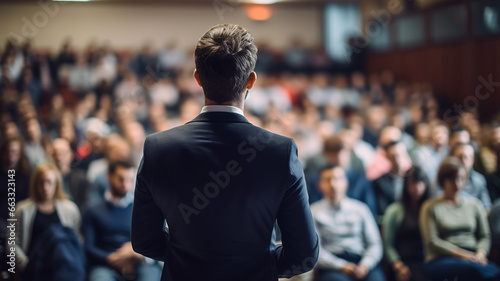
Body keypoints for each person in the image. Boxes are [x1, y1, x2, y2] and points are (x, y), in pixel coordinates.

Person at [131, 24, 319, 281]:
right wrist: (261, 265)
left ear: (197, 78)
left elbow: (144, 241)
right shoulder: (281, 152)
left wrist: (188, 259)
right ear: (251, 80)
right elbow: (303, 254)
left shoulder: (157, 149)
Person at [419, 157, 500, 281]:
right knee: (477, 271)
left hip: (474, 255)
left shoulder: (474, 205)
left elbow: (485, 235)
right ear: (443, 180)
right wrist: (465, 255)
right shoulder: (430, 207)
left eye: (461, 179)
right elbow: (432, 242)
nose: (457, 184)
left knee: (495, 272)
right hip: (442, 258)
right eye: (452, 179)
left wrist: (480, 253)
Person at [83, 160, 161, 281]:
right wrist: (116, 259)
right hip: (106, 263)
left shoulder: (143, 208)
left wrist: (139, 256)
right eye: (121, 179)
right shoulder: (92, 210)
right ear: (109, 176)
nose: (126, 184)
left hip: (138, 260)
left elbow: (155, 241)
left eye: (130, 180)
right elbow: (89, 247)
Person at [311, 165, 386, 281]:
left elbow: (375, 243)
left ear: (345, 182)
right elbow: (315, 250)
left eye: (337, 178)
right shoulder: (313, 212)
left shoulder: (361, 209)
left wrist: (365, 264)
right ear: (319, 185)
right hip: (333, 265)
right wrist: (342, 266)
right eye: (328, 180)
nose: (333, 184)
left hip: (361, 260)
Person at [15, 163, 84, 279]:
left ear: (56, 184)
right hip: (32, 268)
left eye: (49, 182)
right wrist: (26, 265)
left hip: (62, 268)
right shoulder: (22, 210)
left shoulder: (70, 209)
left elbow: (76, 241)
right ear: (35, 184)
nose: (45, 187)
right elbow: (12, 243)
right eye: (41, 182)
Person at [382, 166, 432, 281]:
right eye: (413, 183)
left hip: (428, 260)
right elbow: (388, 244)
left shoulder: (431, 208)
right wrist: (398, 265)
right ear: (406, 186)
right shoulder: (394, 211)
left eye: (420, 182)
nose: (417, 188)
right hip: (404, 261)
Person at [373, 141, 412, 221]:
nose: (397, 160)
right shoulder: (380, 182)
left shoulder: (412, 177)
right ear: (387, 157)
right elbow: (382, 209)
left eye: (400, 155)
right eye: (393, 156)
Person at [451, 142, 492, 211]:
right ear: (453, 158)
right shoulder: (446, 178)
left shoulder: (479, 179)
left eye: (466, 157)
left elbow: (487, 207)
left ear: (472, 160)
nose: (463, 161)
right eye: (460, 157)